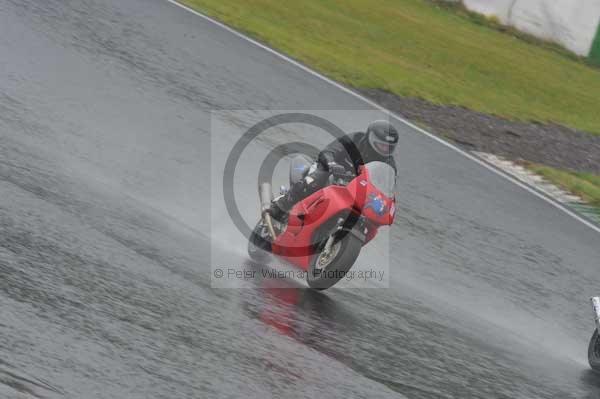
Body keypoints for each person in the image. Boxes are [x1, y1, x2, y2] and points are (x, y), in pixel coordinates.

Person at [269, 120, 399, 220]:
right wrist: (331, 163)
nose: (384, 150)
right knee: (318, 177)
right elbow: (330, 150)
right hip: (332, 172)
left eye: (388, 147)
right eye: (382, 145)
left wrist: (388, 201)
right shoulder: (354, 140)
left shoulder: (389, 163)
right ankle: (282, 205)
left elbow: (387, 186)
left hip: (355, 189)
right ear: (370, 138)